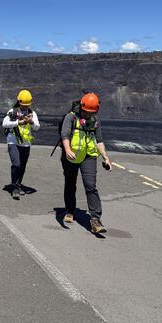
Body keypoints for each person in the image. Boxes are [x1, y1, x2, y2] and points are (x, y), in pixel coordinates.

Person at [60, 92, 112, 234]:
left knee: (90, 186)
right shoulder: (70, 117)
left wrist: (105, 157)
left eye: (92, 112)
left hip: (88, 156)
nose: (88, 115)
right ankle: (70, 210)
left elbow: (99, 140)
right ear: (81, 107)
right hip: (71, 156)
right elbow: (64, 135)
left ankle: (95, 220)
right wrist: (67, 149)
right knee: (70, 183)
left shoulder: (94, 119)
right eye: (87, 112)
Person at [2, 90, 40, 199]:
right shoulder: (12, 111)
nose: (24, 107)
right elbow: (4, 123)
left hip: (26, 144)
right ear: (19, 102)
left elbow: (37, 127)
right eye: (23, 105)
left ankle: (18, 185)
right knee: (16, 164)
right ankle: (14, 187)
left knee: (22, 166)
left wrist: (31, 122)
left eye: (26, 105)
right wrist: (18, 122)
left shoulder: (32, 113)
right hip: (13, 141)